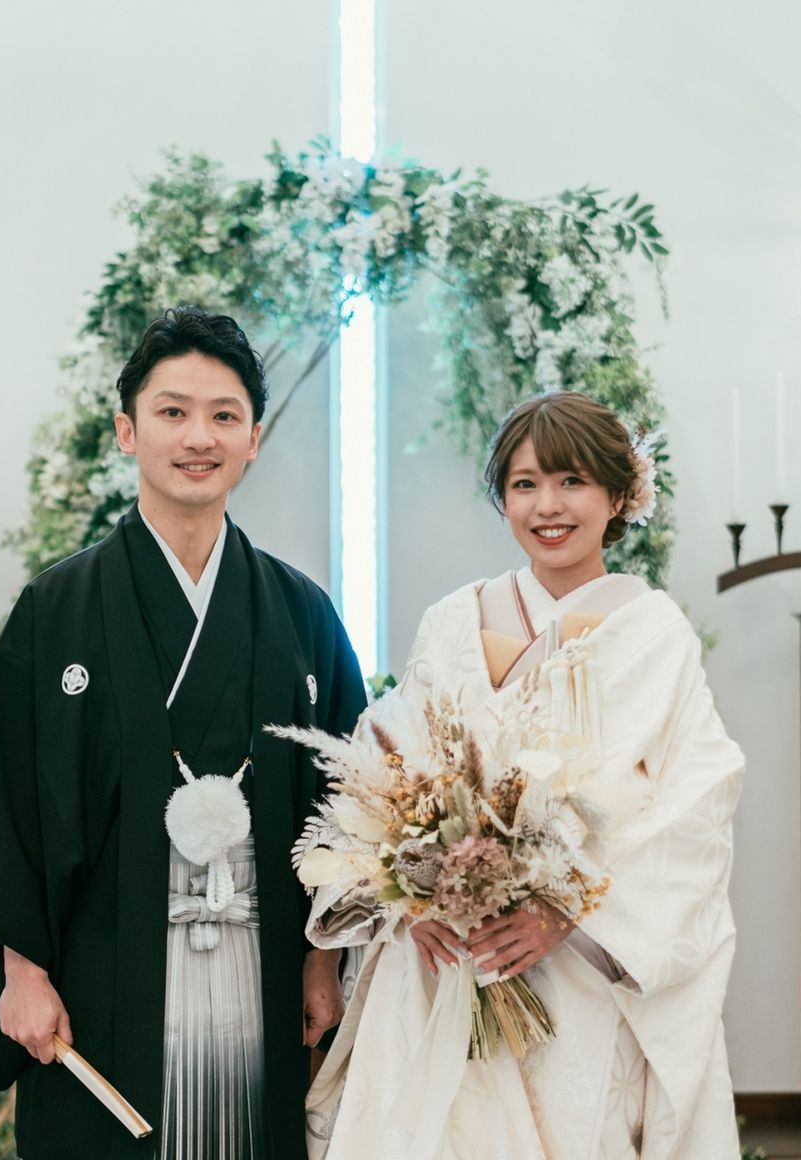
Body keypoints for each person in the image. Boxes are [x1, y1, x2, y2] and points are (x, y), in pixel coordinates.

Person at [0, 307, 367, 1160]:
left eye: (224, 415)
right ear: (128, 430)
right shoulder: (57, 609)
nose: (199, 437)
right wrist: (21, 973)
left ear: (253, 439)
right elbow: (5, 804)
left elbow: (349, 805)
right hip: (101, 973)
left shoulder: (301, 612)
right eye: (172, 411)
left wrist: (321, 963)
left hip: (263, 968)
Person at [306, 391, 744, 1159]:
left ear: (620, 495)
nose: (548, 505)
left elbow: (696, 805)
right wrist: (410, 899)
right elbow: (387, 764)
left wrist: (567, 910)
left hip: (576, 968)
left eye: (573, 481)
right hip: (441, 963)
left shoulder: (655, 633)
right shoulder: (453, 618)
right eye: (525, 484)